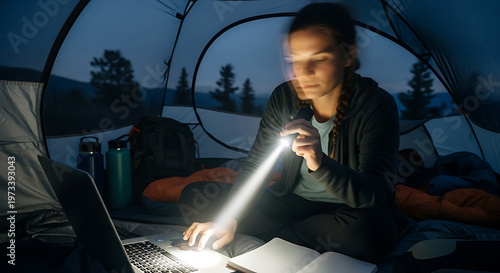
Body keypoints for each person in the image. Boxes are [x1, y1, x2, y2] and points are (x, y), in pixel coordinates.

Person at [180, 3, 402, 262]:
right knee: (194, 197)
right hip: (293, 203)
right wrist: (231, 217)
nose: (303, 73)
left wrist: (320, 163)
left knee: (370, 233)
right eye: (294, 60)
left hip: (348, 211)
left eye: (319, 59)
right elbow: (255, 165)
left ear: (348, 55)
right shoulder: (284, 98)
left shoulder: (375, 104)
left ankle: (273, 236)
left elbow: (376, 193)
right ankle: (291, 237)